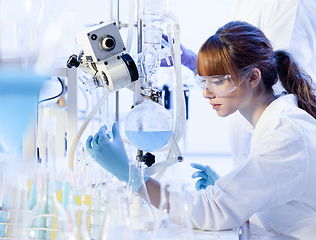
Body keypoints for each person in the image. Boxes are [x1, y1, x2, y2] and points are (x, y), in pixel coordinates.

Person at [86, 21, 316, 239]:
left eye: (216, 80)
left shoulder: (285, 135)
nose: (206, 93)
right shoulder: (277, 121)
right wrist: (236, 191)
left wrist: (131, 176)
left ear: (253, 77)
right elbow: (282, 201)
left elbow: (213, 211)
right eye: (204, 81)